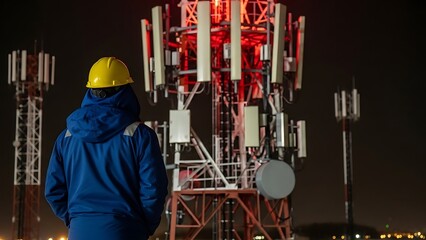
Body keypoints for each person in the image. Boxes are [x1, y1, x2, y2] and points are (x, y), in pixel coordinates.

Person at [45, 56, 168, 240]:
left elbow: (53, 191)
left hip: (79, 232)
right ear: (124, 91)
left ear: (91, 91)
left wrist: (77, 220)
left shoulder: (67, 137)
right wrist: (143, 226)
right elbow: (153, 189)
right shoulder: (139, 136)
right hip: (126, 230)